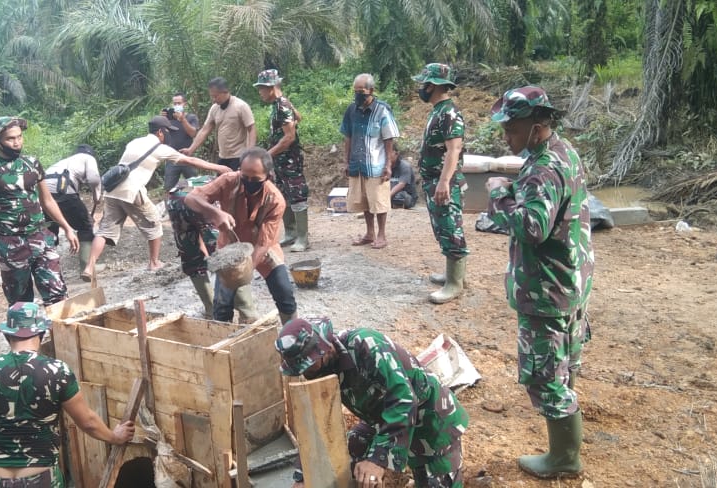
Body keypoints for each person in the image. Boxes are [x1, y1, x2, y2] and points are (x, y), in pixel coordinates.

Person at [486, 86, 594, 479]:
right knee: (564, 363)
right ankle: (567, 439)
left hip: (545, 289)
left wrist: (499, 196)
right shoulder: (564, 152)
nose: (505, 135)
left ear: (537, 125)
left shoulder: (542, 168)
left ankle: (563, 458)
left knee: (545, 377)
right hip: (570, 279)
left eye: (512, 127)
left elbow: (531, 227)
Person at [0, 302, 136, 488]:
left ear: (7, 335)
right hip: (42, 478)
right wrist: (114, 437)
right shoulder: (58, 371)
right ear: (41, 333)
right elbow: (88, 422)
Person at [275, 318, 467, 488]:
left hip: (431, 420)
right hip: (381, 419)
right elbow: (316, 421)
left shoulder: (366, 346)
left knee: (431, 478)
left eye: (309, 365)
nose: (306, 373)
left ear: (324, 348)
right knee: (349, 450)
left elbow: (404, 400)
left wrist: (378, 460)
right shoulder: (319, 368)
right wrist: (304, 474)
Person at [82, 116, 231, 281]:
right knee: (155, 223)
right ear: (160, 132)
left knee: (104, 231)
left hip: (112, 191)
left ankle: (89, 267)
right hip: (132, 191)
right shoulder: (160, 148)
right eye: (167, 131)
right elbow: (190, 160)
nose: (168, 135)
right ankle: (154, 262)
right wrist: (219, 167)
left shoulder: (134, 142)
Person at [185, 147, 298, 325]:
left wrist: (245, 271)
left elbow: (263, 244)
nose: (249, 182)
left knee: (285, 294)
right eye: (245, 177)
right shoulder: (228, 181)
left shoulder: (275, 200)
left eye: (255, 179)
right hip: (229, 250)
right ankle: (223, 344)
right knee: (222, 305)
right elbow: (191, 198)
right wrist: (215, 213)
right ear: (239, 170)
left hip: (263, 249)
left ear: (268, 176)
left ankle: (292, 336)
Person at [0, 116, 79, 306]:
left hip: (40, 237)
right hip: (11, 245)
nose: (17, 143)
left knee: (58, 296)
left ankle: (61, 335)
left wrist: (67, 227)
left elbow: (47, 200)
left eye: (19, 137)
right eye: (10, 139)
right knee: (21, 304)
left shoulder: (32, 163)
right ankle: (31, 336)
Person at [412, 63, 470, 304]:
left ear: (433, 85)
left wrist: (444, 182)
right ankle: (451, 274)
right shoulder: (438, 111)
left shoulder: (449, 113)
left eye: (424, 83)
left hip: (444, 182)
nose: (421, 88)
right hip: (434, 181)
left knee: (450, 227)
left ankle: (455, 283)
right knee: (442, 228)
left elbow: (454, 149)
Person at [254, 69, 311, 252]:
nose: (260, 92)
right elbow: (299, 117)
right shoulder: (281, 104)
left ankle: (303, 238)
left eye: (261, 88)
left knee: (297, 193)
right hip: (281, 159)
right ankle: (291, 233)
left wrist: (268, 154)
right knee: (284, 193)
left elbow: (289, 138)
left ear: (271, 87)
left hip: (289, 159)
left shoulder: (282, 105)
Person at [341, 73, 400, 250]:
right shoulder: (351, 110)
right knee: (365, 201)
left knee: (379, 201)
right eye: (356, 91)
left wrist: (388, 165)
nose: (358, 95)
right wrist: (346, 161)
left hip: (376, 164)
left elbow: (389, 138)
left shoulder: (382, 110)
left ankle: (381, 235)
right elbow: (348, 137)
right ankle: (369, 233)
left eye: (362, 91)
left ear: (371, 90)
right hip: (357, 163)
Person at [165, 175, 220, 317]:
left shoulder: (220, 178)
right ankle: (247, 313)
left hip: (175, 199)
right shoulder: (238, 186)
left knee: (191, 255)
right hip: (199, 199)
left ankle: (210, 309)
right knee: (225, 258)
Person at [44, 144, 103, 273]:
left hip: (44, 194)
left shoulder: (65, 161)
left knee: (50, 228)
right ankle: (87, 268)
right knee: (85, 226)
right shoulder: (88, 158)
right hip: (63, 191)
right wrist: (96, 196)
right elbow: (94, 179)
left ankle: (48, 270)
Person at [182, 77, 257, 171]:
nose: (213, 99)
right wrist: (190, 149)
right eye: (211, 96)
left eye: (216, 96)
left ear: (225, 92)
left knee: (238, 184)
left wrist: (249, 153)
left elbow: (251, 129)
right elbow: (204, 131)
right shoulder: (214, 108)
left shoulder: (241, 106)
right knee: (221, 183)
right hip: (223, 157)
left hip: (239, 156)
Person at [160, 92, 202, 190]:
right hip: (172, 158)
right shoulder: (168, 119)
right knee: (169, 188)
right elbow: (161, 135)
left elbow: (193, 133)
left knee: (196, 186)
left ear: (185, 104)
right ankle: (171, 205)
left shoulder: (191, 117)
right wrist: (162, 120)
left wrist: (182, 119)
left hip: (188, 157)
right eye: (174, 103)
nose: (177, 106)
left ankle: (196, 204)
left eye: (179, 103)